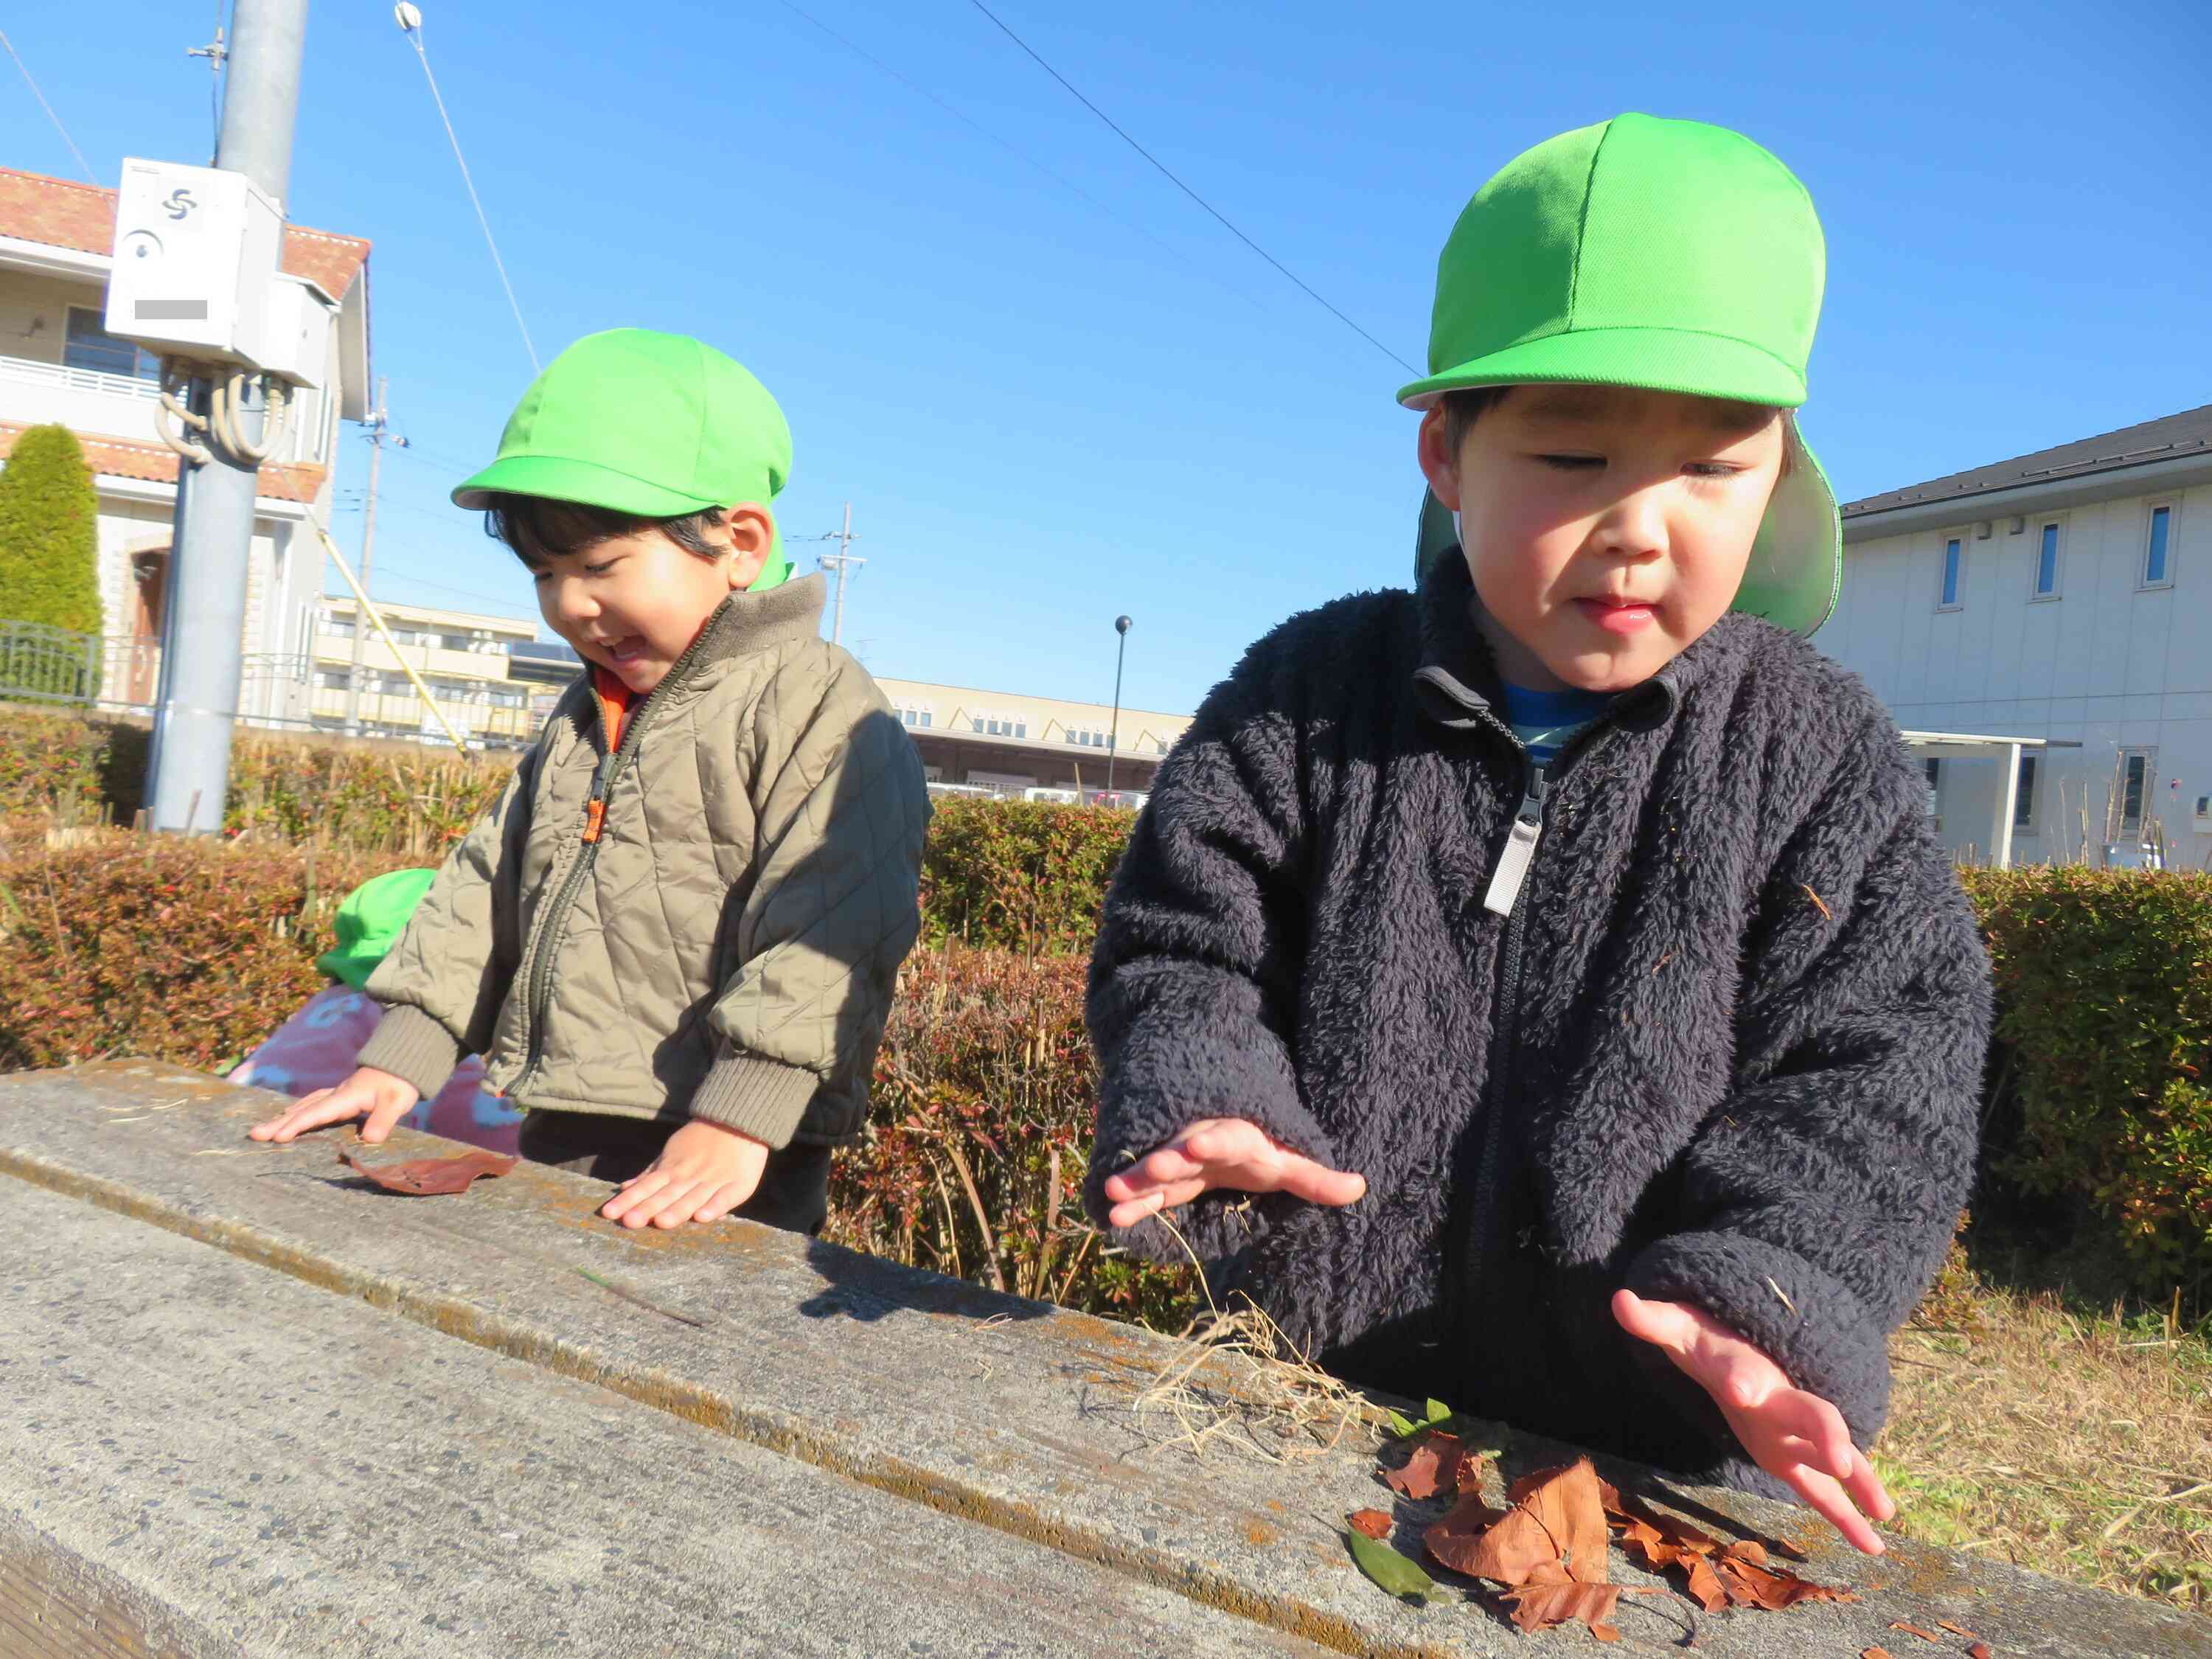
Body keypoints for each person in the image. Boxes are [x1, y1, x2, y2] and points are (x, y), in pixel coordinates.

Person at [1082, 115, 1989, 1556]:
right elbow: (1188, 935)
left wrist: (1764, 1287)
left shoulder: (1816, 755)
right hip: (1309, 1416)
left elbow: (1883, 1061)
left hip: (1652, 1462)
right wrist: (1207, 1084)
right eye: (1573, 456)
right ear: (1447, 454)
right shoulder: (1315, 697)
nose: (1643, 531)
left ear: (1783, 473)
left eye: (1713, 468)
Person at [251, 329, 931, 1237]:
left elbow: (835, 919)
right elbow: (486, 885)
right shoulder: (588, 711)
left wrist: (741, 1111)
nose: (570, 604)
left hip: (729, 1147)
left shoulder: (820, 705)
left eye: (601, 566)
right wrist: (403, 1055)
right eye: (545, 573)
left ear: (738, 541)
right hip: (564, 1106)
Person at [229, 868, 522, 1155]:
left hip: (247, 1121)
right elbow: (486, 1124)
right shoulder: (414, 1023)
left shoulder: (327, 1005)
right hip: (315, 1152)